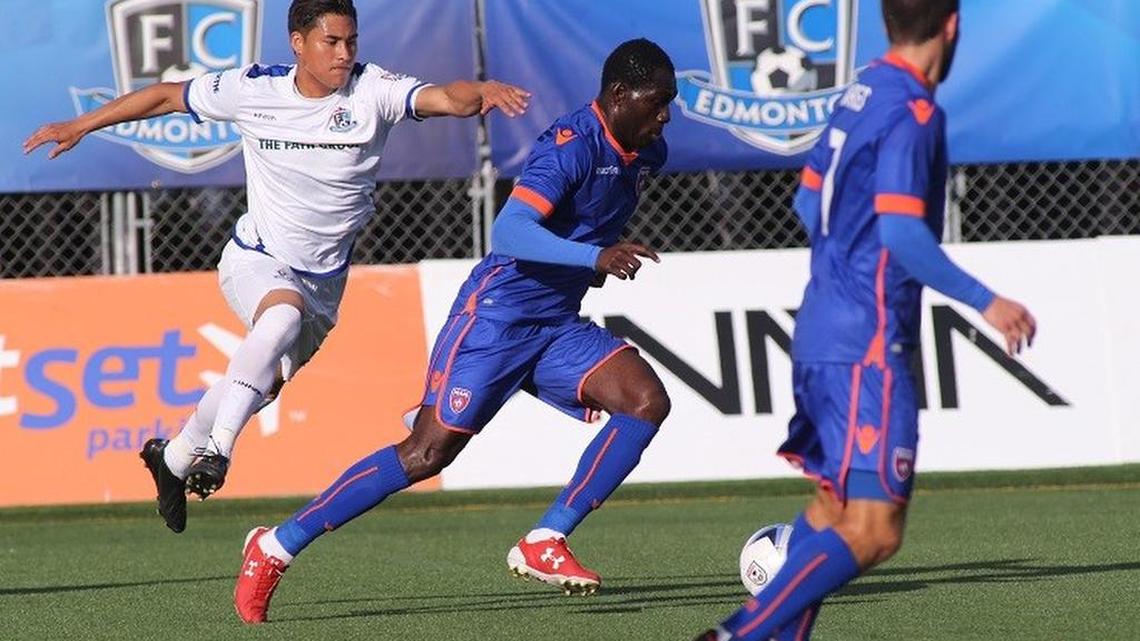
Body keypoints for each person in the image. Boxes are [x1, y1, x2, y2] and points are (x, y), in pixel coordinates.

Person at [22, 0, 529, 534]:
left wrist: (482, 92)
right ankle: (217, 452)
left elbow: (446, 95)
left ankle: (170, 459)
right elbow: (165, 96)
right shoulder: (254, 89)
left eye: (351, 41)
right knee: (279, 318)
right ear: (298, 43)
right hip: (257, 259)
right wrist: (81, 124)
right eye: (331, 42)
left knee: (262, 386)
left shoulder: (372, 89)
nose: (344, 54)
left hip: (324, 285)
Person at [230, 37, 677, 624]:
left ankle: (547, 538)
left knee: (646, 401)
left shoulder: (647, 153)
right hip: (494, 321)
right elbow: (509, 233)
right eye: (657, 102)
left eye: (670, 102)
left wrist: (586, 263)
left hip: (553, 326)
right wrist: (592, 258)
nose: (665, 115)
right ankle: (276, 546)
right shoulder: (568, 148)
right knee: (426, 453)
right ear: (619, 96)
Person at [695, 1, 1037, 639]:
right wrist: (986, 300)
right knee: (875, 531)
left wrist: (843, 266)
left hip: (822, 327)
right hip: (868, 344)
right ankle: (735, 635)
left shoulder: (859, 93)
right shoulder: (913, 109)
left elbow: (805, 198)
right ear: (953, 24)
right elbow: (903, 233)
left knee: (831, 513)